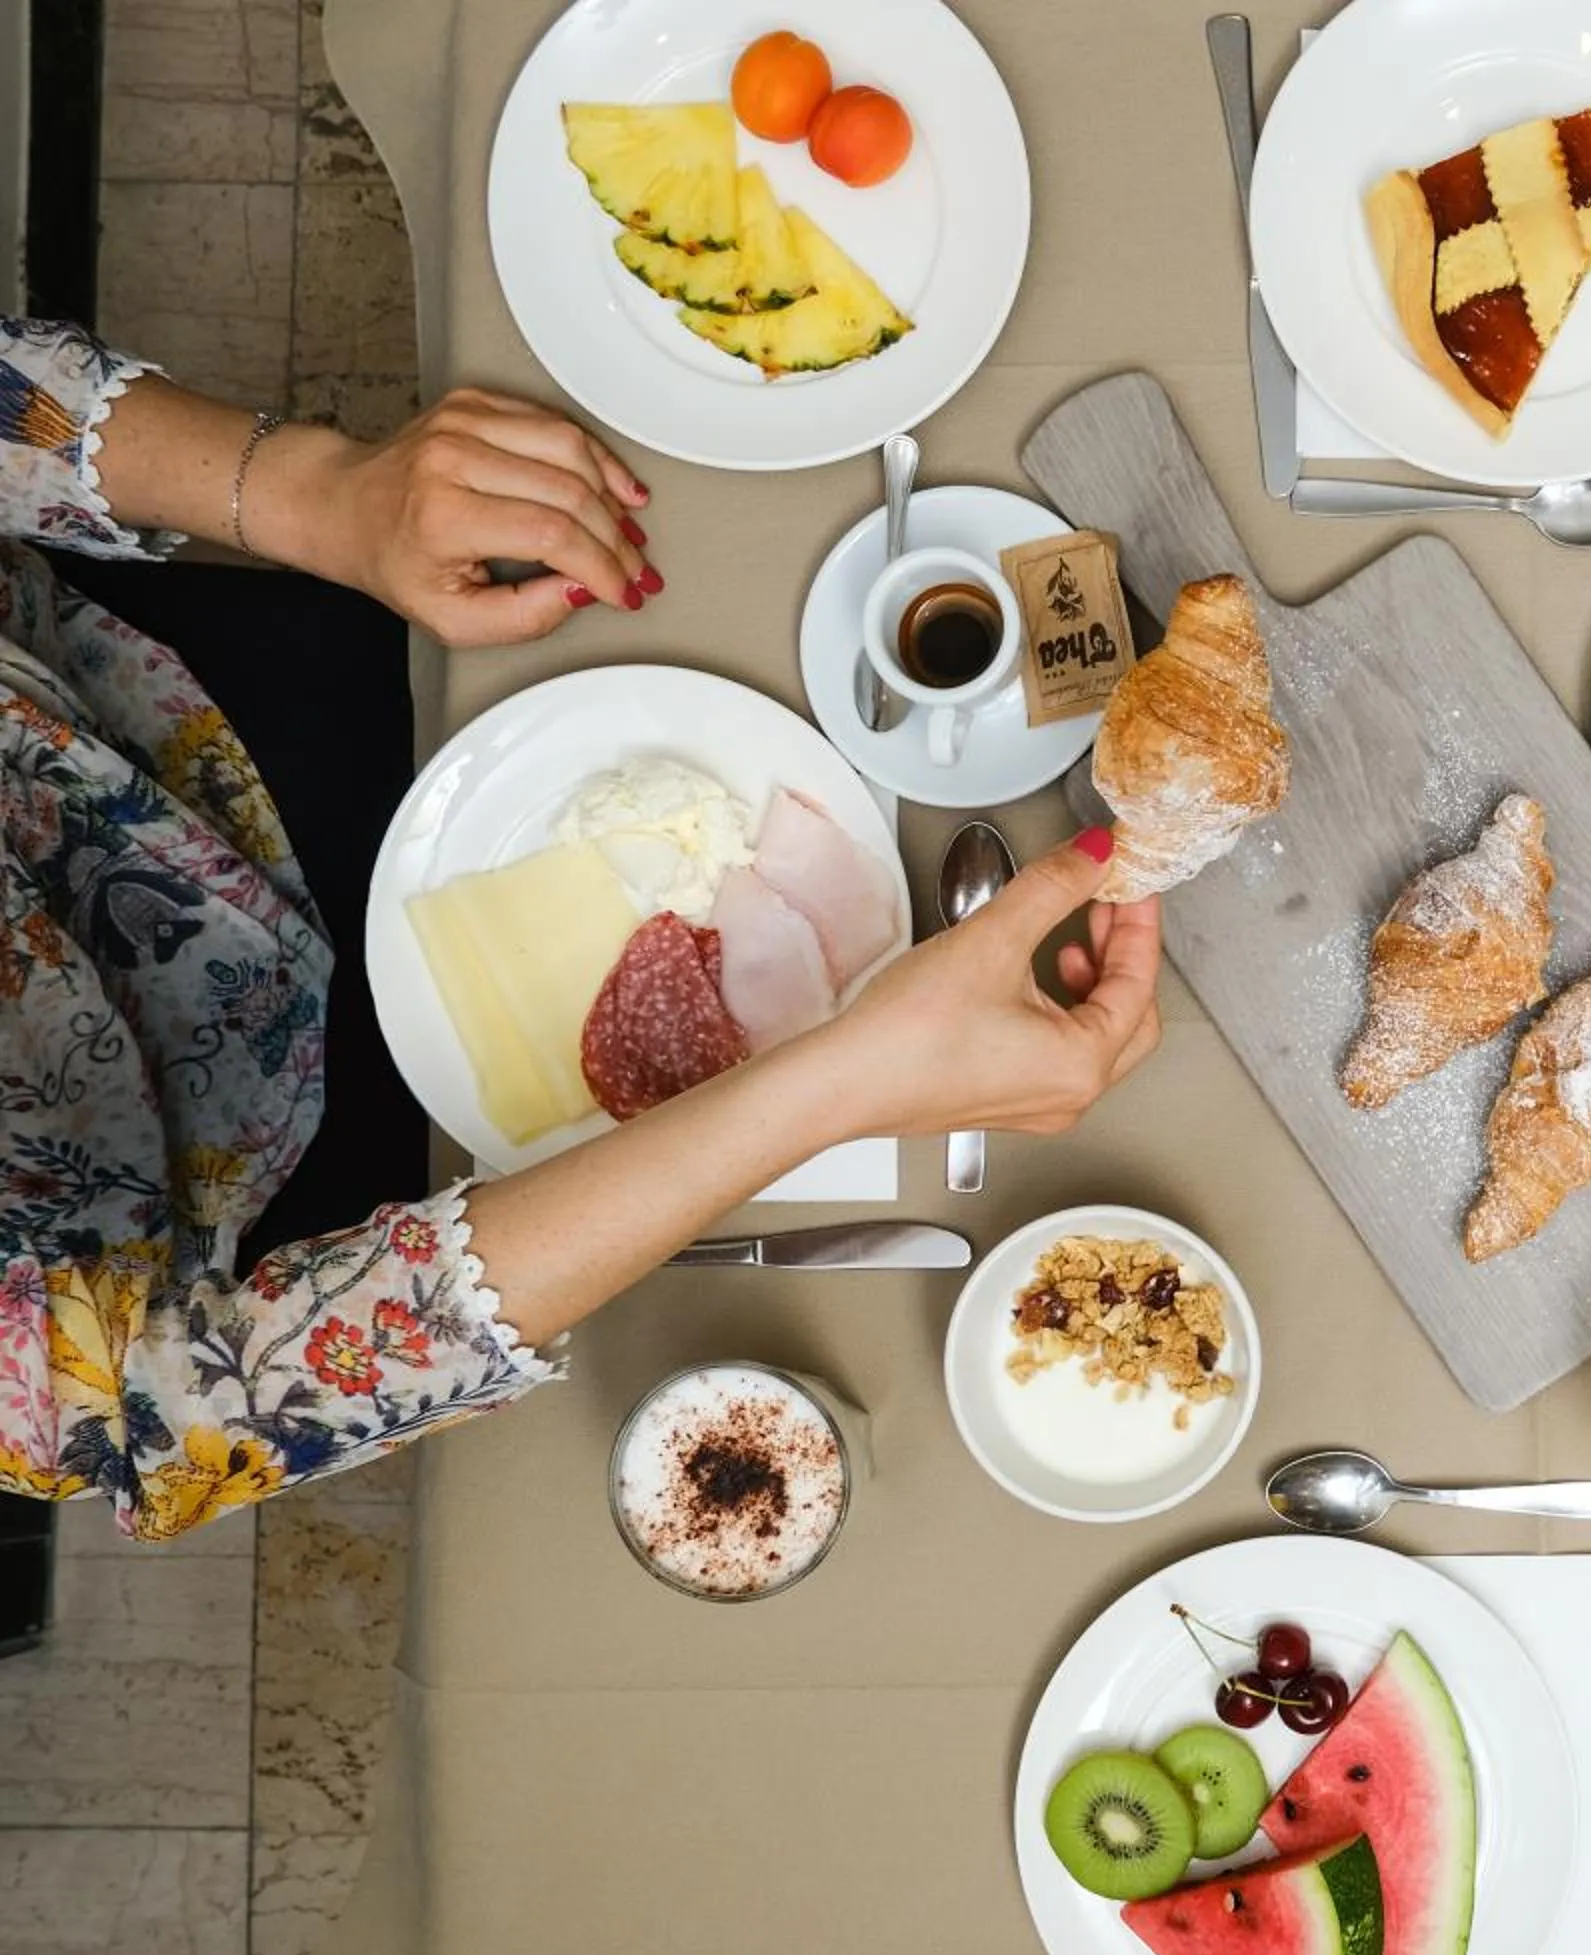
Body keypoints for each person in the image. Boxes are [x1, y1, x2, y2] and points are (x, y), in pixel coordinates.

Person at [0, 318, 1162, 1538]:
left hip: (159, 709)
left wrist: (311, 494)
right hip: (254, 1180)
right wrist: (844, 1078)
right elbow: (143, 1416)